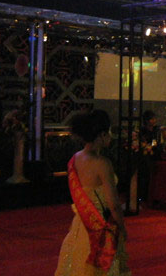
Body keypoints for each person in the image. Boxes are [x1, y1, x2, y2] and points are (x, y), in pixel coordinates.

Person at [55, 110, 130, 276]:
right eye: (109, 132)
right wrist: (122, 227)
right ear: (102, 135)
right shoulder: (102, 164)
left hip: (80, 224)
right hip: (100, 226)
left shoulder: (75, 158)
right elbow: (113, 204)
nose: (111, 136)